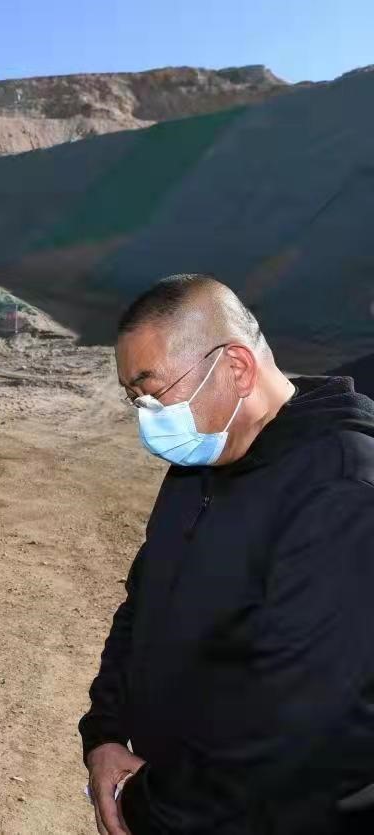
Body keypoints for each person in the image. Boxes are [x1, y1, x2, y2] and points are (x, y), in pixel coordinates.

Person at [80, 275, 374, 834]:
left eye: (153, 391)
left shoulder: (341, 493)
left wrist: (144, 807)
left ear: (236, 367)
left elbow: (296, 727)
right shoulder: (199, 466)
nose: (146, 415)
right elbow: (141, 608)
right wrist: (105, 735)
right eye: (134, 399)